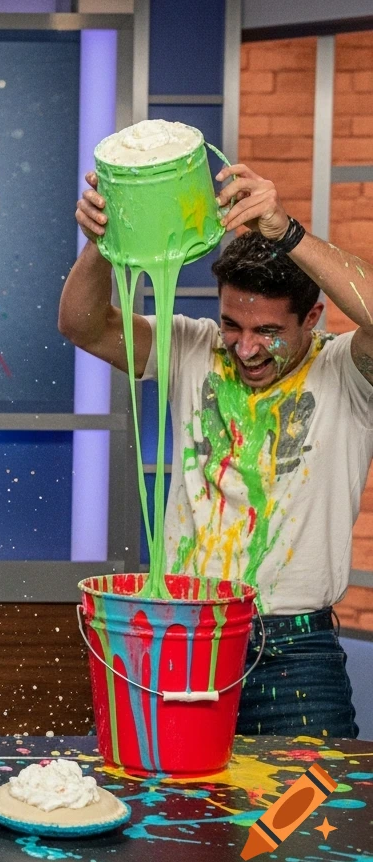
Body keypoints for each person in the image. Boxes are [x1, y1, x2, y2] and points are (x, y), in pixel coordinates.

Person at [60, 162, 369, 737]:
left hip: (296, 651)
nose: (246, 349)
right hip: (186, 631)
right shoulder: (193, 347)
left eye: (268, 332)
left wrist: (289, 233)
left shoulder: (345, 370)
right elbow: (82, 325)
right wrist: (103, 244)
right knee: (174, 794)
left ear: (312, 317)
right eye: (232, 325)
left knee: (312, 797)